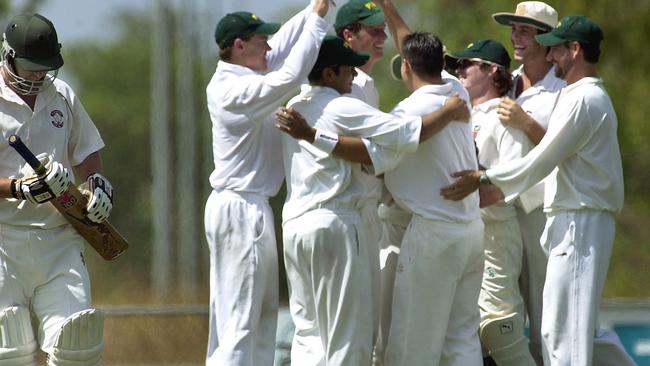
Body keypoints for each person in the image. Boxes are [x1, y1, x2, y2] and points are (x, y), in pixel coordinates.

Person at [441, 15, 636, 366]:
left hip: (581, 218)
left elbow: (541, 161)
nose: (550, 56)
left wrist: (483, 179)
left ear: (575, 50)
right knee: (557, 329)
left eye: (556, 49)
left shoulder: (585, 98)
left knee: (566, 333)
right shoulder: (574, 95)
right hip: (567, 216)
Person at [275, 34, 471, 365]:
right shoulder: (341, 105)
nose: (355, 75)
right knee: (349, 341)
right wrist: (449, 111)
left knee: (309, 339)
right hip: (335, 222)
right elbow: (404, 133)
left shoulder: (295, 106)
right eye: (348, 69)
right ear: (329, 73)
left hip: (295, 227)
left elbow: (370, 151)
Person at [204, 2, 330, 365]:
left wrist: (315, 8)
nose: (270, 47)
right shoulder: (232, 90)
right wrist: (319, 22)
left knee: (258, 320)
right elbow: (290, 76)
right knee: (240, 322)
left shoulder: (248, 75)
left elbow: (285, 42)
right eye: (262, 40)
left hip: (247, 207)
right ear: (240, 46)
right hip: (240, 208)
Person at [0, 13, 113, 365]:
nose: (39, 74)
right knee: (10, 349)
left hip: (60, 238)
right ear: (8, 56)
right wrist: (18, 188)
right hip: (4, 241)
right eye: (31, 66)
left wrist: (97, 186)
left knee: (77, 347)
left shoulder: (61, 94)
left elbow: (87, 153)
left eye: (44, 67)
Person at [450, 39, 536, 366]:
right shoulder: (460, 116)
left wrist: (464, 192)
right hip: (465, 233)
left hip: (497, 233)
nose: (458, 70)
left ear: (492, 70)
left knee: (501, 331)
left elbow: (507, 185)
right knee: (467, 333)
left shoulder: (504, 117)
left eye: (465, 64)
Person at [490, 3, 565, 362]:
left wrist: (526, 123)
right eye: (514, 29)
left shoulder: (564, 87)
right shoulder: (507, 81)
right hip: (504, 212)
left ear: (545, 38)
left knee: (546, 315)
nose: (514, 37)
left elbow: (567, 150)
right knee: (504, 314)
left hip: (544, 213)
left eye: (524, 30)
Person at [334, 0, 389, 344]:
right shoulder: (347, 83)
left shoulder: (367, 84)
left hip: (367, 209)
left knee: (366, 326)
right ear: (348, 35)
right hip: (346, 209)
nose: (382, 36)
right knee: (350, 329)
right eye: (373, 30)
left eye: (384, 29)